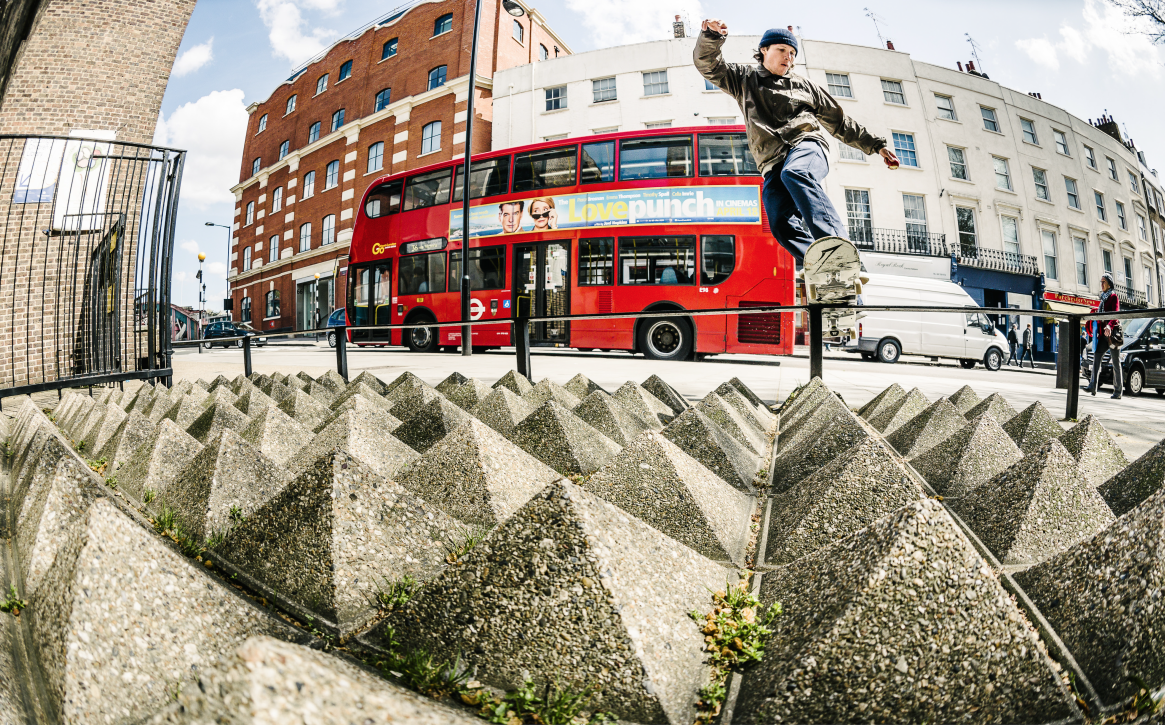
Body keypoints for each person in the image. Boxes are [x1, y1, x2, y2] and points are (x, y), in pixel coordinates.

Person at [694, 22, 899, 271]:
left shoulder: (806, 86)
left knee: (796, 172)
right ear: (764, 50)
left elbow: (839, 122)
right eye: (782, 50)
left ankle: (839, 252)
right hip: (772, 162)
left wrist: (876, 145)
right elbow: (708, 65)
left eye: (792, 54)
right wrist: (712, 36)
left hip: (808, 146)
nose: (788, 58)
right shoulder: (743, 79)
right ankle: (821, 268)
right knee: (779, 221)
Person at [1083, 271, 1122, 398]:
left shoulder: (1113, 297)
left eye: (1103, 282)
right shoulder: (1103, 297)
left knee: (1115, 362)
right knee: (1096, 357)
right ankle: (1092, 386)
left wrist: (1109, 326)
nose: (1102, 284)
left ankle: (1117, 392)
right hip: (1103, 335)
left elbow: (1115, 314)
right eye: (1101, 282)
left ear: (1109, 284)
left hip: (1113, 334)